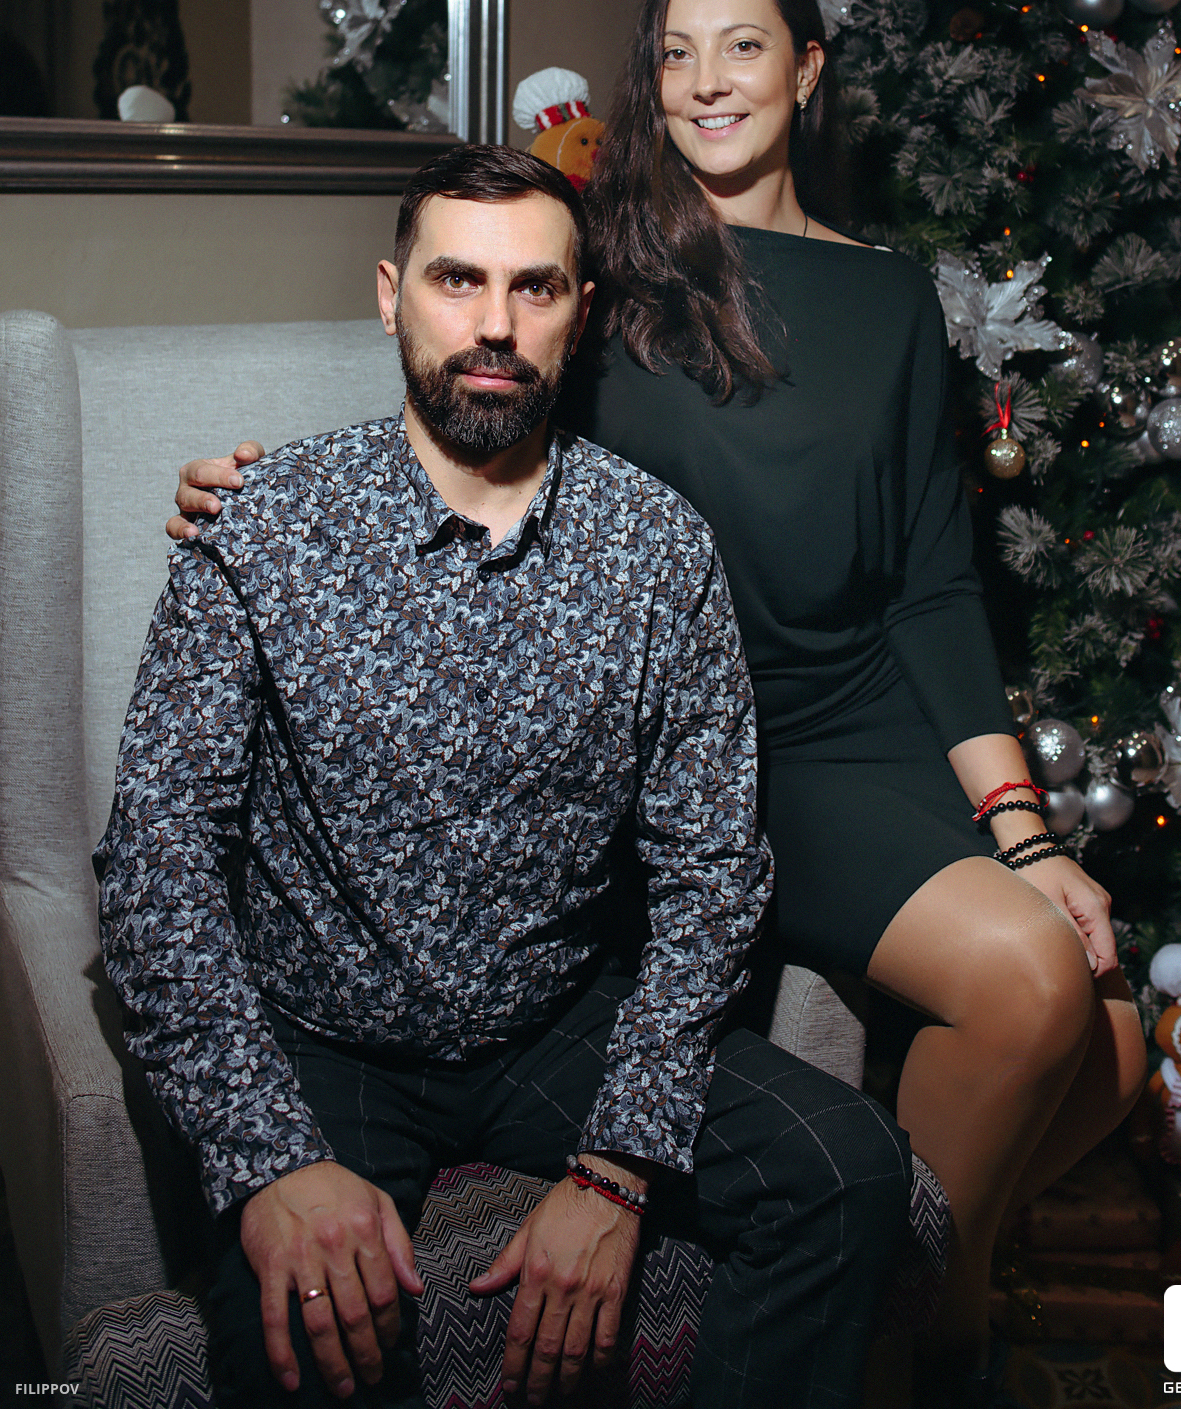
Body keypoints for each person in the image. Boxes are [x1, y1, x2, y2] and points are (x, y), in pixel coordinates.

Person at [170, 0, 1149, 1404]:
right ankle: (934, 1340)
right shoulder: (605, 266)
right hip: (716, 729)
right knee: (1028, 985)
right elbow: (465, 398)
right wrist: (252, 492)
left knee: (1117, 1038)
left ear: (806, 69)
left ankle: (901, 1294)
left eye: (742, 45)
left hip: (866, 715)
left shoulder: (891, 298)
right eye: (675, 53)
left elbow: (933, 583)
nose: (706, 82)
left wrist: (1023, 829)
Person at [106, 144, 910, 1409]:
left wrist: (616, 1171)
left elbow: (711, 872)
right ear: (392, 296)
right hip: (325, 1033)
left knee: (850, 1170)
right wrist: (271, 1164)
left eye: (534, 287)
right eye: (457, 280)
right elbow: (156, 868)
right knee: (303, 1343)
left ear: (579, 313)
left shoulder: (656, 551)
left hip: (555, 1019)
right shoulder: (261, 528)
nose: (494, 324)